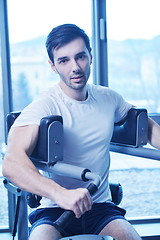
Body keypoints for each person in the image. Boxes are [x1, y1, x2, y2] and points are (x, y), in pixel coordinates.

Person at [2, 24, 160, 240]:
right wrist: (62, 194)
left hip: (101, 207)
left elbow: (148, 128)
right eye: (64, 60)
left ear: (90, 56)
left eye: (80, 57)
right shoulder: (44, 105)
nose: (75, 67)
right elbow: (11, 164)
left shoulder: (109, 98)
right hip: (54, 209)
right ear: (53, 65)